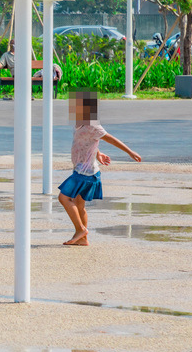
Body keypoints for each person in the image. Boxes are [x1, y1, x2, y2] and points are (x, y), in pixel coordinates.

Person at [58, 90, 142, 246]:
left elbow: (111, 139)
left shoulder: (93, 124)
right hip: (84, 170)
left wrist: (130, 152)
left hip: (86, 173)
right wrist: (98, 153)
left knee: (63, 198)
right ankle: (83, 239)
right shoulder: (79, 123)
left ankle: (81, 230)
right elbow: (88, 142)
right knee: (79, 205)